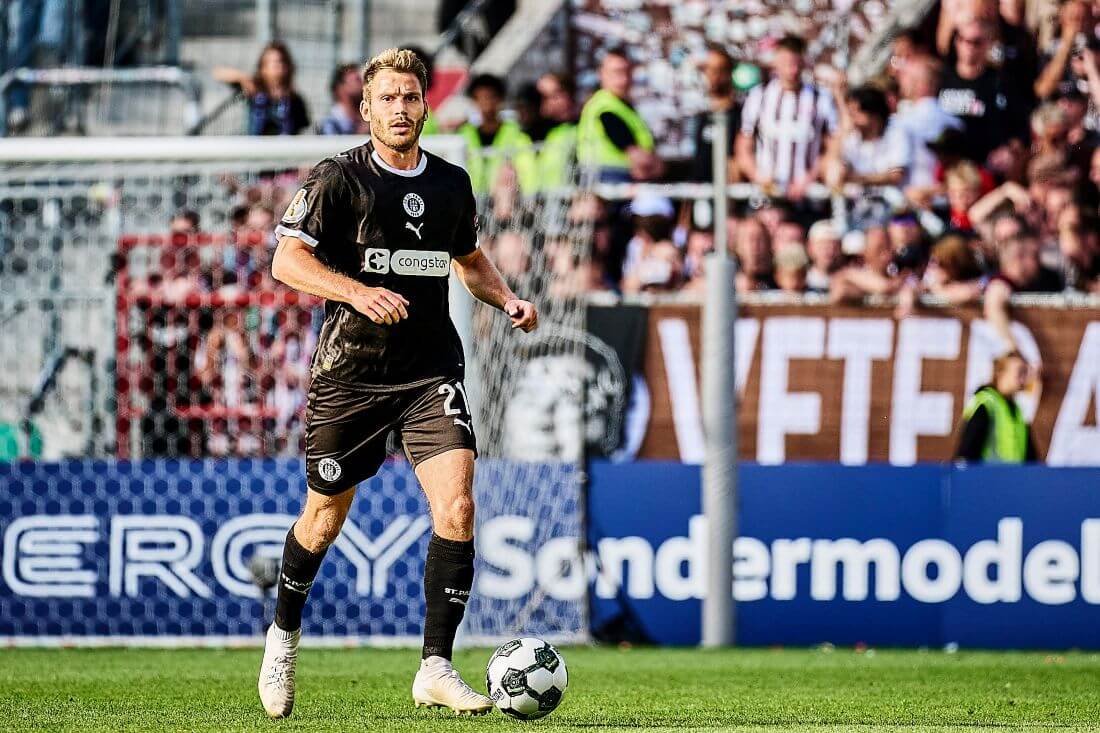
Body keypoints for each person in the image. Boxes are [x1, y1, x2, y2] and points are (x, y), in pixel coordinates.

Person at [262, 48, 538, 719]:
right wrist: (356, 290)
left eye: (411, 96)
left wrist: (505, 299)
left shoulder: (449, 183)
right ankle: (283, 637)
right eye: (387, 97)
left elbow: (467, 259)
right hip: (350, 374)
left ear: (425, 105)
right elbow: (286, 260)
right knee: (324, 518)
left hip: (427, 372)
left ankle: (435, 666)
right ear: (367, 108)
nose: (400, 108)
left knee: (460, 507)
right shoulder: (338, 179)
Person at [737, 35, 837, 200]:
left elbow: (832, 146)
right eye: (787, 64)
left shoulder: (820, 97)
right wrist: (757, 175)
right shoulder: (759, 96)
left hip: (809, 195)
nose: (793, 70)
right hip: (767, 195)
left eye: (797, 64)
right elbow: (743, 145)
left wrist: (810, 178)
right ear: (776, 63)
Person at [938, 18, 1031, 165]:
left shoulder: (999, 82)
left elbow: (1021, 126)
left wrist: (1009, 150)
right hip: (945, 164)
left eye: (976, 42)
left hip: (985, 166)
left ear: (987, 45)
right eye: (964, 40)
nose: (969, 46)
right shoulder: (941, 79)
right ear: (957, 42)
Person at [577, 48, 663, 182]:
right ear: (601, 74)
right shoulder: (605, 107)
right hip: (610, 179)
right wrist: (655, 164)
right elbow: (638, 158)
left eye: (627, 72)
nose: (624, 79)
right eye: (616, 72)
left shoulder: (622, 106)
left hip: (616, 179)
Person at [894, 55, 965, 192]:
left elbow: (896, 172)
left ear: (921, 84)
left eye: (907, 78)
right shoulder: (956, 123)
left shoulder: (901, 123)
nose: (901, 82)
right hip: (946, 199)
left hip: (910, 199)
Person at [458, 73, 537, 195]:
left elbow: (527, 169)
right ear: (474, 100)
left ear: (501, 99)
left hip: (504, 202)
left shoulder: (516, 134)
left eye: (491, 97)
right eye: (482, 98)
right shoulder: (464, 135)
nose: (487, 103)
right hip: (471, 199)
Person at [955, 351, 1039, 463]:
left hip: (1011, 479)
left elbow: (1030, 458)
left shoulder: (1017, 412)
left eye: (1026, 372)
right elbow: (967, 451)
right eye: (1020, 371)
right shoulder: (986, 403)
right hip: (986, 479)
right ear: (1001, 372)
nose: (1024, 378)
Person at [214, 42, 310, 135]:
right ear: (263, 67)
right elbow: (218, 73)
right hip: (254, 148)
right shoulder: (254, 91)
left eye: (281, 61)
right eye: (273, 62)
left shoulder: (295, 100)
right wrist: (243, 78)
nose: (277, 66)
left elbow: (303, 130)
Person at [825, 85, 912, 188]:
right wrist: (842, 132)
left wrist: (855, 179)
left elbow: (895, 176)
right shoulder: (853, 135)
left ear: (874, 115)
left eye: (856, 112)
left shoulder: (896, 131)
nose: (852, 117)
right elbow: (833, 164)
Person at [690, 43, 740, 183]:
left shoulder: (739, 116)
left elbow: (735, 163)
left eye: (718, 70)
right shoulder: (704, 117)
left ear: (729, 73)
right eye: (708, 69)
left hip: (724, 196)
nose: (712, 76)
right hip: (702, 193)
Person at [318, 63, 369, 135]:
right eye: (357, 80)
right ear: (340, 88)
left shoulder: (366, 120)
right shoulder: (331, 125)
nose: (363, 86)